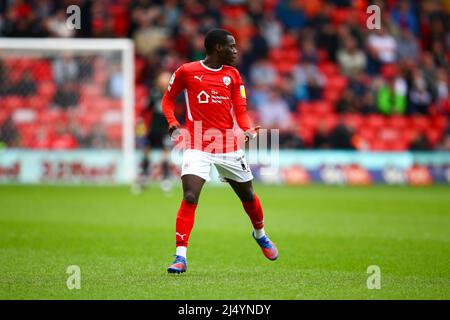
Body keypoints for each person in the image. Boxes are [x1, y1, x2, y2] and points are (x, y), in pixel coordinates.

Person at [161, 28, 278, 274]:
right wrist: (173, 122)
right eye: (232, 46)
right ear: (217, 48)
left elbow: (241, 110)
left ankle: (260, 234)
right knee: (190, 196)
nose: (236, 51)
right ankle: (180, 257)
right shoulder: (187, 71)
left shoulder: (233, 75)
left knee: (247, 195)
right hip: (197, 143)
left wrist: (247, 131)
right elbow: (167, 100)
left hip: (226, 145)